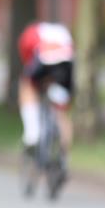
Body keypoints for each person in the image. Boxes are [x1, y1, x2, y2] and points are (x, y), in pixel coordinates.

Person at [17, 21, 74, 185]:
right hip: (65, 64)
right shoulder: (63, 33)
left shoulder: (29, 35)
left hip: (43, 60)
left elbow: (28, 65)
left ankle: (32, 133)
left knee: (27, 87)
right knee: (61, 113)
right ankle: (63, 159)